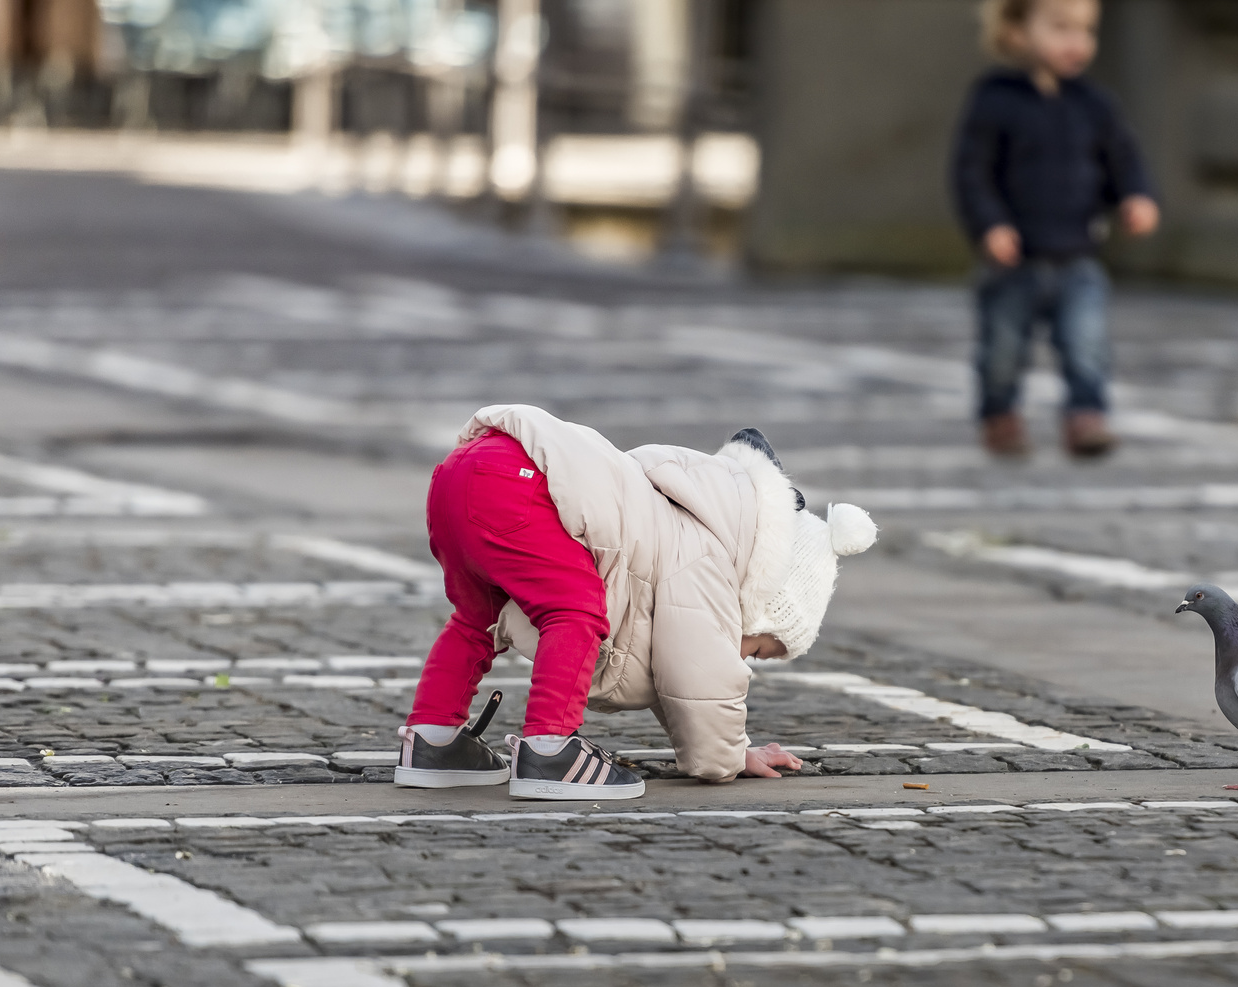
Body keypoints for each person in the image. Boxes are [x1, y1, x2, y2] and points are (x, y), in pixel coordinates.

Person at [396, 405, 878, 800]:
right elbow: (699, 669)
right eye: (758, 650)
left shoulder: (687, 510)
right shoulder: (706, 555)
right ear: (768, 600)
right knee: (575, 610)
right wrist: (727, 758)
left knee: (476, 618)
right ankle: (549, 749)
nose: (744, 657)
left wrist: (732, 745)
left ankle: (434, 743)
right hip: (518, 482)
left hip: (460, 473)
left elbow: (675, 673)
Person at [950, 0, 1159, 460]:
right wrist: (990, 226)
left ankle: (1087, 416)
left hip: (1079, 254)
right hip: (1013, 258)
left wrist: (1136, 197)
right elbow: (971, 173)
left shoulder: (1095, 104)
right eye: (1061, 28)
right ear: (1016, 30)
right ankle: (999, 414)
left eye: (1086, 30)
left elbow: (1123, 160)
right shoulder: (994, 98)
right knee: (1002, 351)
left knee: (1087, 343)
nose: (1077, 42)